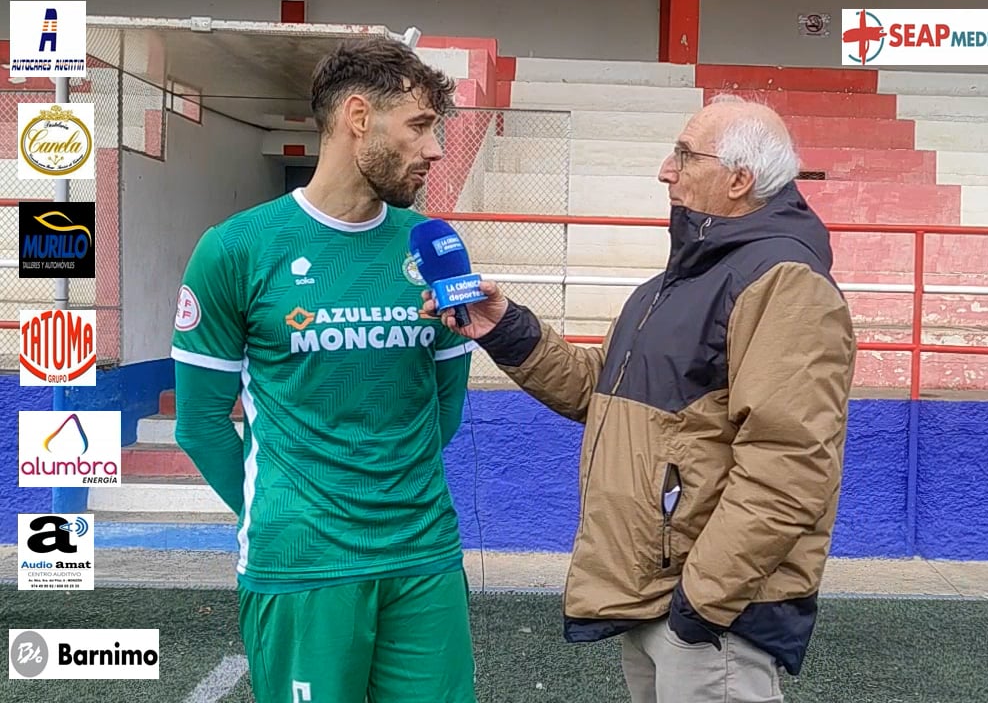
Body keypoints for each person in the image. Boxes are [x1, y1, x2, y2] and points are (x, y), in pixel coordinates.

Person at [424, 94, 857, 702]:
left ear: (739, 180)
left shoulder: (783, 281)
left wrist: (703, 603)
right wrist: (505, 328)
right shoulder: (675, 283)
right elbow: (595, 391)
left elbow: (791, 466)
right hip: (657, 597)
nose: (665, 169)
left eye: (684, 154)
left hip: (709, 616)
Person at [170, 35, 479, 702]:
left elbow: (445, 405)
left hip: (423, 556)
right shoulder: (236, 250)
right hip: (301, 563)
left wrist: (383, 495)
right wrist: (285, 512)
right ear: (359, 118)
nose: (435, 149)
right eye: (421, 126)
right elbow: (198, 422)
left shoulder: (434, 248)